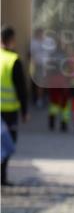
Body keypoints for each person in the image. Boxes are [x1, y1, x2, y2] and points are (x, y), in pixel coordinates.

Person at [0, 26, 29, 187]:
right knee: (7, 144)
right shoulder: (13, 60)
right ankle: (2, 176)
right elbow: (21, 89)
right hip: (8, 111)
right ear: (11, 40)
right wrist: (25, 111)